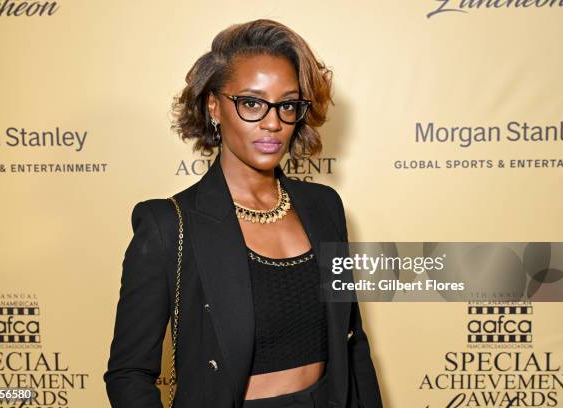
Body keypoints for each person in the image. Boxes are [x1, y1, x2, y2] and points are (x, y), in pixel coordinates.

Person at [103, 18, 383, 408]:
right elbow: (129, 374)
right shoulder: (168, 226)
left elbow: (353, 343)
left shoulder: (324, 207)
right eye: (251, 102)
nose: (273, 122)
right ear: (214, 105)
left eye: (287, 104)